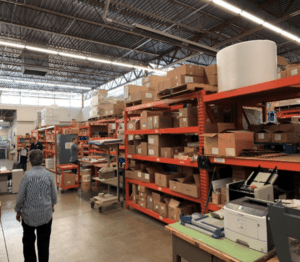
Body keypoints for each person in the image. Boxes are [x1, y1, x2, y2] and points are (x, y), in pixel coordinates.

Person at [15, 149, 57, 262]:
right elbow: (54, 194)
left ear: (30, 161)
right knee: (44, 244)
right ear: (42, 160)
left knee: (28, 244)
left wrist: (18, 210)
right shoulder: (48, 175)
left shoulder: (27, 176)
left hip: (29, 216)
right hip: (45, 216)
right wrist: (52, 205)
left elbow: (21, 196)